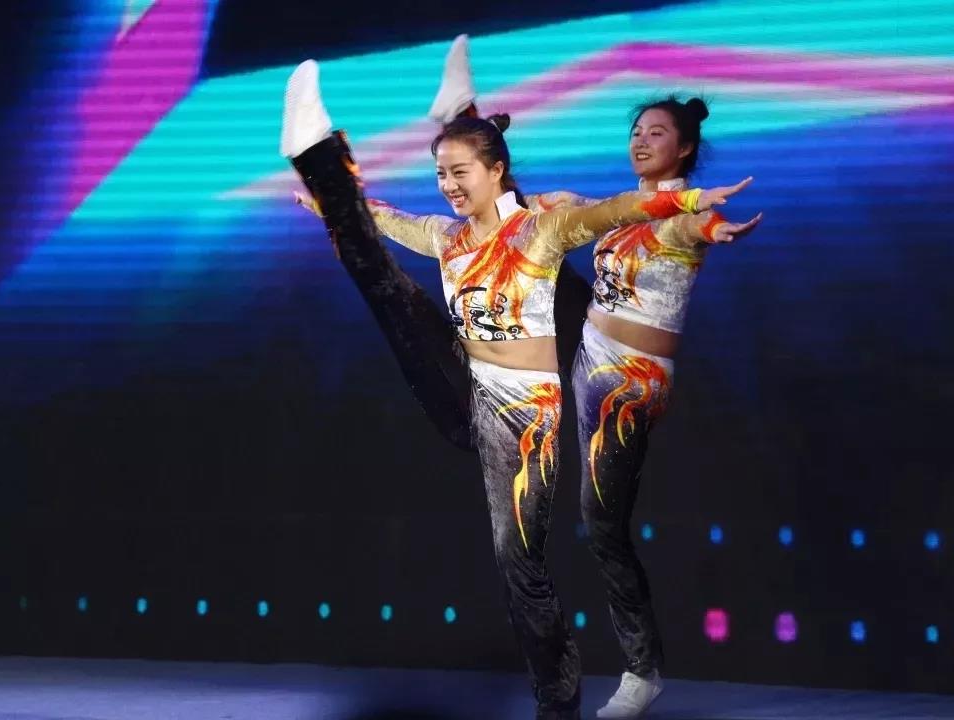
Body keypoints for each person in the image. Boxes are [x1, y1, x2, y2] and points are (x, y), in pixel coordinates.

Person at [281, 57, 751, 719]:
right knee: (390, 291)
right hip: (471, 381)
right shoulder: (450, 235)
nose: (446, 186)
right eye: (440, 174)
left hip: (531, 412)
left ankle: (559, 702)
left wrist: (696, 205)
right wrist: (339, 205)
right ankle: (326, 156)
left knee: (521, 562)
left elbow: (619, 210)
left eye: (459, 172)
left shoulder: (543, 227)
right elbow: (389, 217)